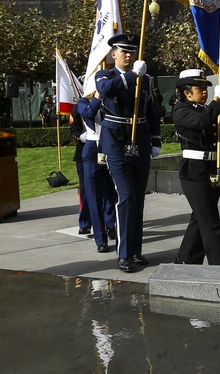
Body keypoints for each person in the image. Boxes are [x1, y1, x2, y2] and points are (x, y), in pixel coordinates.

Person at [95, 33, 162, 273]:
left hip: (140, 142)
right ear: (113, 54)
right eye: (123, 51)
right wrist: (132, 75)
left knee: (138, 199)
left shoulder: (145, 80)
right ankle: (123, 254)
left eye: (132, 52)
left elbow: (151, 110)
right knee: (126, 197)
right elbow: (106, 90)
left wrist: (155, 139)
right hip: (116, 143)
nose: (128, 55)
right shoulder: (105, 75)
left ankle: (136, 250)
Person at [171, 69, 220, 266]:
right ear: (186, 92)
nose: (205, 92)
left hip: (211, 169)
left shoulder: (202, 108)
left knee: (199, 219)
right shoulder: (181, 110)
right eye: (199, 88)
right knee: (211, 222)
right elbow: (202, 122)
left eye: (206, 88)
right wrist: (217, 100)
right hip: (193, 171)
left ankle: (185, 260)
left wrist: (219, 168)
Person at [77, 94, 118, 254]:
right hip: (92, 150)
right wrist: (97, 97)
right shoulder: (84, 101)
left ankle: (111, 225)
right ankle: (101, 239)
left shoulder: (111, 99)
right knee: (94, 198)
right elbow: (88, 113)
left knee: (113, 194)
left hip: (111, 147)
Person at [70, 101, 93, 237]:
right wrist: (80, 136)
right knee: (85, 190)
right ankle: (85, 223)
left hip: (103, 151)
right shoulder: (78, 107)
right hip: (84, 152)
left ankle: (108, 223)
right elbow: (74, 129)